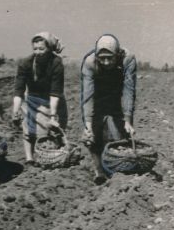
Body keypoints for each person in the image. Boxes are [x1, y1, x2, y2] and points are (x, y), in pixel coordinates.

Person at [80, 34, 137, 184]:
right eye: (102, 58)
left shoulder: (128, 60)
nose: (105, 62)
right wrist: (87, 124)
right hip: (97, 95)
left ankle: (118, 169)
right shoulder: (90, 62)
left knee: (120, 134)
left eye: (110, 58)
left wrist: (127, 120)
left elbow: (128, 91)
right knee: (92, 135)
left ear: (117, 54)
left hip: (116, 95)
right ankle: (98, 170)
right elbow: (87, 96)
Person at [12, 32, 67, 166]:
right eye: (35, 49)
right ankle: (29, 158)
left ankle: (53, 157)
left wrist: (53, 116)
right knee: (28, 129)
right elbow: (19, 90)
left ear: (49, 49)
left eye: (41, 49)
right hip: (32, 98)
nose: (38, 52)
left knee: (53, 129)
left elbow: (55, 92)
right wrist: (16, 110)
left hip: (52, 99)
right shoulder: (26, 63)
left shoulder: (56, 63)